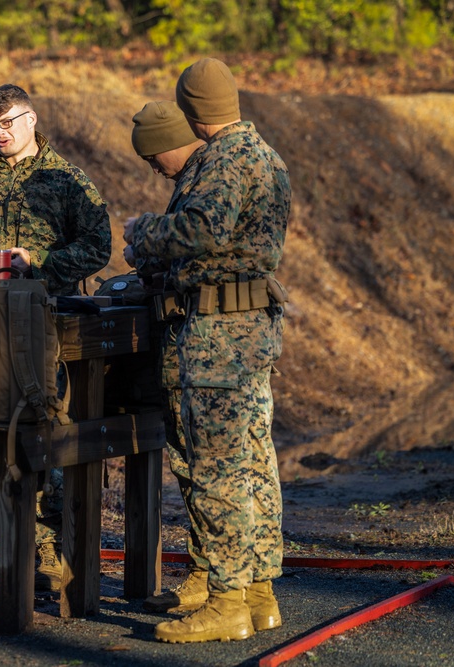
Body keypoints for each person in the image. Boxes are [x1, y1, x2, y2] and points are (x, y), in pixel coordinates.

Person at [124, 59, 289, 643]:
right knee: (253, 464)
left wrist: (142, 233)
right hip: (251, 331)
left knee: (217, 469)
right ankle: (257, 590)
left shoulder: (222, 162)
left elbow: (201, 231)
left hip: (218, 338)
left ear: (192, 112)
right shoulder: (267, 156)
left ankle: (226, 605)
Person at [0, 83, 111, 592]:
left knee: (42, 430)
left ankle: (47, 549)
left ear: (31, 120)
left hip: (46, 326)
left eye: (7, 123)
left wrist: (43, 261)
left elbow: (98, 245)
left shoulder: (67, 180)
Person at [122, 101, 212, 613]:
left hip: (203, 336)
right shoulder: (200, 176)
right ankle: (218, 577)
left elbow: (199, 240)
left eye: (153, 159)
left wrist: (146, 236)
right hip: (196, 327)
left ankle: (217, 581)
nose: (153, 170)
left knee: (203, 465)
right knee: (203, 463)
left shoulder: (208, 177)